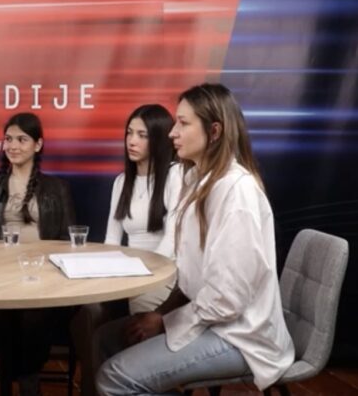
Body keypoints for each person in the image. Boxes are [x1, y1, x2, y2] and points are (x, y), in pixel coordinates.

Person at [94, 83, 294, 394]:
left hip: (237, 335)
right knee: (104, 339)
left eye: (183, 123)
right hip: (210, 319)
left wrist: (165, 322)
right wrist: (161, 313)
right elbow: (192, 279)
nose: (172, 132)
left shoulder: (236, 191)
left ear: (214, 132)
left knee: (113, 377)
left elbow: (227, 300)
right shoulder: (194, 181)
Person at [70, 104, 182, 396]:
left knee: (139, 321)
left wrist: (140, 275)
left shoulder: (175, 175)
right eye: (129, 133)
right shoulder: (122, 181)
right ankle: (94, 388)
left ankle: (143, 382)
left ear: (159, 139)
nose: (132, 141)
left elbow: (172, 241)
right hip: (129, 274)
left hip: (163, 275)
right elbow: (111, 240)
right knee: (88, 310)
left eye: (142, 135)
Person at [0, 112, 76, 396]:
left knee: (33, 317)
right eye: (8, 139)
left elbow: (68, 241)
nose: (13, 146)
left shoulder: (57, 188)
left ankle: (28, 381)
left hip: (41, 275)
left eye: (22, 139)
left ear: (38, 145)